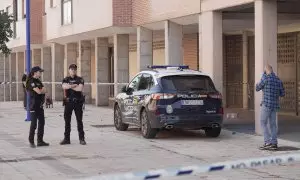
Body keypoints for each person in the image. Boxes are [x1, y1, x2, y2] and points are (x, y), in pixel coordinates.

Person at [256, 64, 285, 151]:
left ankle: (267, 142)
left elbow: (257, 88)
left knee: (263, 122)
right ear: (272, 70)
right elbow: (282, 94)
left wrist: (261, 77)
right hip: (274, 105)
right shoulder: (278, 80)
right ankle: (274, 143)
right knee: (273, 125)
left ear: (266, 70)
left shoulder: (265, 78)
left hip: (266, 105)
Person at [60, 64, 86, 145]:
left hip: (78, 102)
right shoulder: (65, 79)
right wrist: (74, 85)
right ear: (69, 70)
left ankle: (82, 139)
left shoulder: (80, 79)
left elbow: (80, 88)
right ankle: (66, 139)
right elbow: (64, 87)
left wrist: (69, 86)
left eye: (74, 69)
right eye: (71, 69)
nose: (73, 70)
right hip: (68, 103)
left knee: (79, 121)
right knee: (67, 122)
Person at [26, 66, 49, 148]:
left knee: (42, 123)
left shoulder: (38, 81)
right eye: (39, 72)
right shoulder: (30, 81)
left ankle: (40, 141)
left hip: (40, 105)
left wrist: (41, 90)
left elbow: (45, 90)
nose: (40, 73)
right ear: (35, 72)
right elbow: (39, 92)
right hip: (33, 105)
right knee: (34, 124)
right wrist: (41, 90)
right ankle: (31, 141)